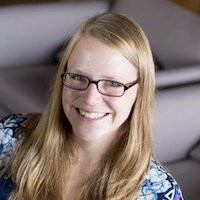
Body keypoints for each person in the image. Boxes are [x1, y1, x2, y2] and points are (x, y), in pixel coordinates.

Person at [0, 12, 183, 200]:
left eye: (113, 83)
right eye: (78, 77)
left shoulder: (160, 193)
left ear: (140, 92)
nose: (90, 99)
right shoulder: (8, 137)